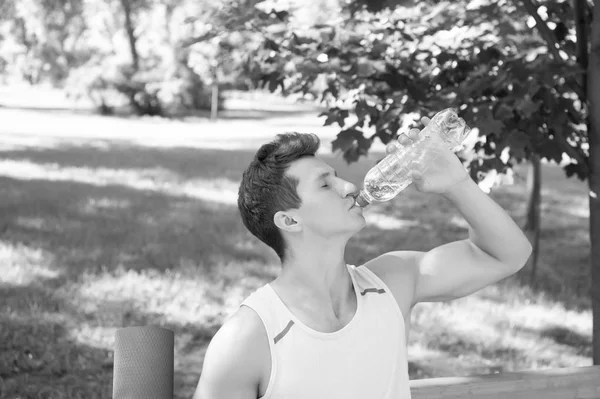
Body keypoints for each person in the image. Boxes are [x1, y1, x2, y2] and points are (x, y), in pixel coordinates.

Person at [193, 118, 533, 399]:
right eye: (325, 185)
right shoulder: (249, 337)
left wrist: (456, 183)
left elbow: (508, 255)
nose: (348, 186)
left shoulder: (393, 282)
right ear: (290, 220)